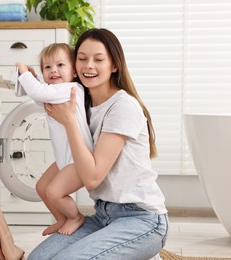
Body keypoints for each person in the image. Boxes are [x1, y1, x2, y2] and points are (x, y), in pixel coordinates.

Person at [28, 28, 169, 260]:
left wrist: (69, 122)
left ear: (114, 65)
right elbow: (72, 158)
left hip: (142, 219)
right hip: (103, 215)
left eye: (98, 59)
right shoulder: (83, 104)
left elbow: (92, 177)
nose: (88, 66)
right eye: (81, 59)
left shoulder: (122, 106)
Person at [16, 43, 93, 236]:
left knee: (54, 192)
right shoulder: (54, 92)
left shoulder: (71, 88)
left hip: (78, 159)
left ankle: (76, 217)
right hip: (64, 158)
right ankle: (61, 218)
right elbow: (37, 96)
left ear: (74, 71)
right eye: (47, 67)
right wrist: (32, 79)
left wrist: (25, 73)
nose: (54, 71)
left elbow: (38, 93)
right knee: (42, 188)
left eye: (60, 65)